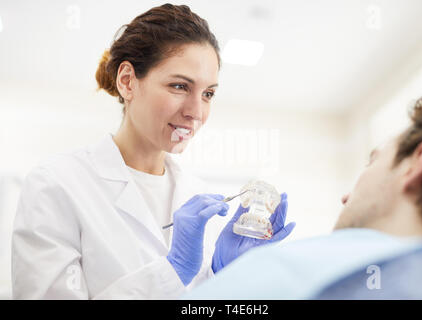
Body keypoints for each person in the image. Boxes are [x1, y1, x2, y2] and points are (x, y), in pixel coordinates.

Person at [11, 4, 295, 300]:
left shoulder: (200, 197)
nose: (196, 112)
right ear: (127, 81)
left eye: (208, 94)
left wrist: (223, 276)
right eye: (179, 86)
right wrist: (174, 270)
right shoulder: (57, 184)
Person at [185, 95, 422, 299]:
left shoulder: (293, 271)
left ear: (417, 163)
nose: (346, 197)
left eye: (372, 163)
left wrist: (228, 278)